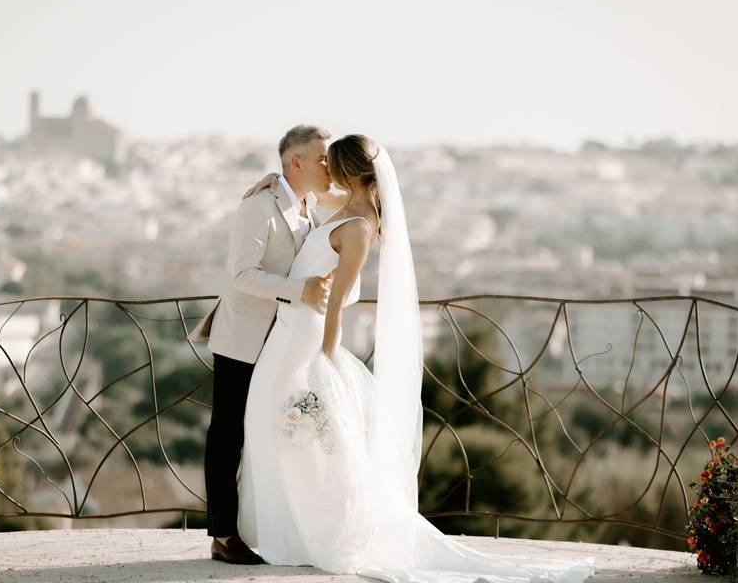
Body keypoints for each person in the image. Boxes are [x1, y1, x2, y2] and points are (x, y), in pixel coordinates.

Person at [236, 135, 596, 583]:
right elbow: (312, 194)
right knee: (274, 426)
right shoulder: (347, 207)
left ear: (348, 172)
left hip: (303, 334)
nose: (324, 168)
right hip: (290, 328)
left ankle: (304, 532)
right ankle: (290, 529)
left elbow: (341, 297)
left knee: (285, 427)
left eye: (331, 162)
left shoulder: (360, 226)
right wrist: (274, 183)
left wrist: (326, 355)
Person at [189, 124, 334, 564]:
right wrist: (302, 291)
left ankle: (274, 525)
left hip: (287, 344)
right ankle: (223, 535)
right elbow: (241, 275)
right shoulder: (258, 207)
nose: (329, 165)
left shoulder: (313, 204)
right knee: (228, 434)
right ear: (296, 162)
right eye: (323, 158)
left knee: (278, 432)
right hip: (245, 338)